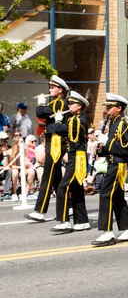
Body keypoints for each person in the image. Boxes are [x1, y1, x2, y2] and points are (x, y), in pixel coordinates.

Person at [91, 93, 128, 246]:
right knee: (117, 197)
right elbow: (112, 147)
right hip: (112, 162)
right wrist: (101, 150)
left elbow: (125, 147)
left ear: (119, 108)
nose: (108, 110)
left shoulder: (124, 123)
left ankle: (107, 232)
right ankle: (127, 229)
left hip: (118, 164)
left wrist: (106, 141)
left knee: (106, 195)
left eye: (111, 107)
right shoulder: (114, 122)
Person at [25, 75, 68, 222]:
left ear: (60, 90)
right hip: (52, 140)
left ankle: (40, 210)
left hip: (56, 142)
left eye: (53, 87)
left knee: (47, 175)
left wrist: (40, 104)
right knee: (55, 177)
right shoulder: (56, 102)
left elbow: (40, 113)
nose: (50, 89)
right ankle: (67, 208)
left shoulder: (60, 103)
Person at [50, 91, 91, 233]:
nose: (69, 105)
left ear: (79, 106)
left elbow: (60, 130)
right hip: (77, 156)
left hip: (77, 158)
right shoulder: (78, 118)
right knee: (76, 188)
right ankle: (82, 221)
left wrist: (58, 120)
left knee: (62, 187)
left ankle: (64, 221)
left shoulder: (76, 120)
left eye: (72, 103)